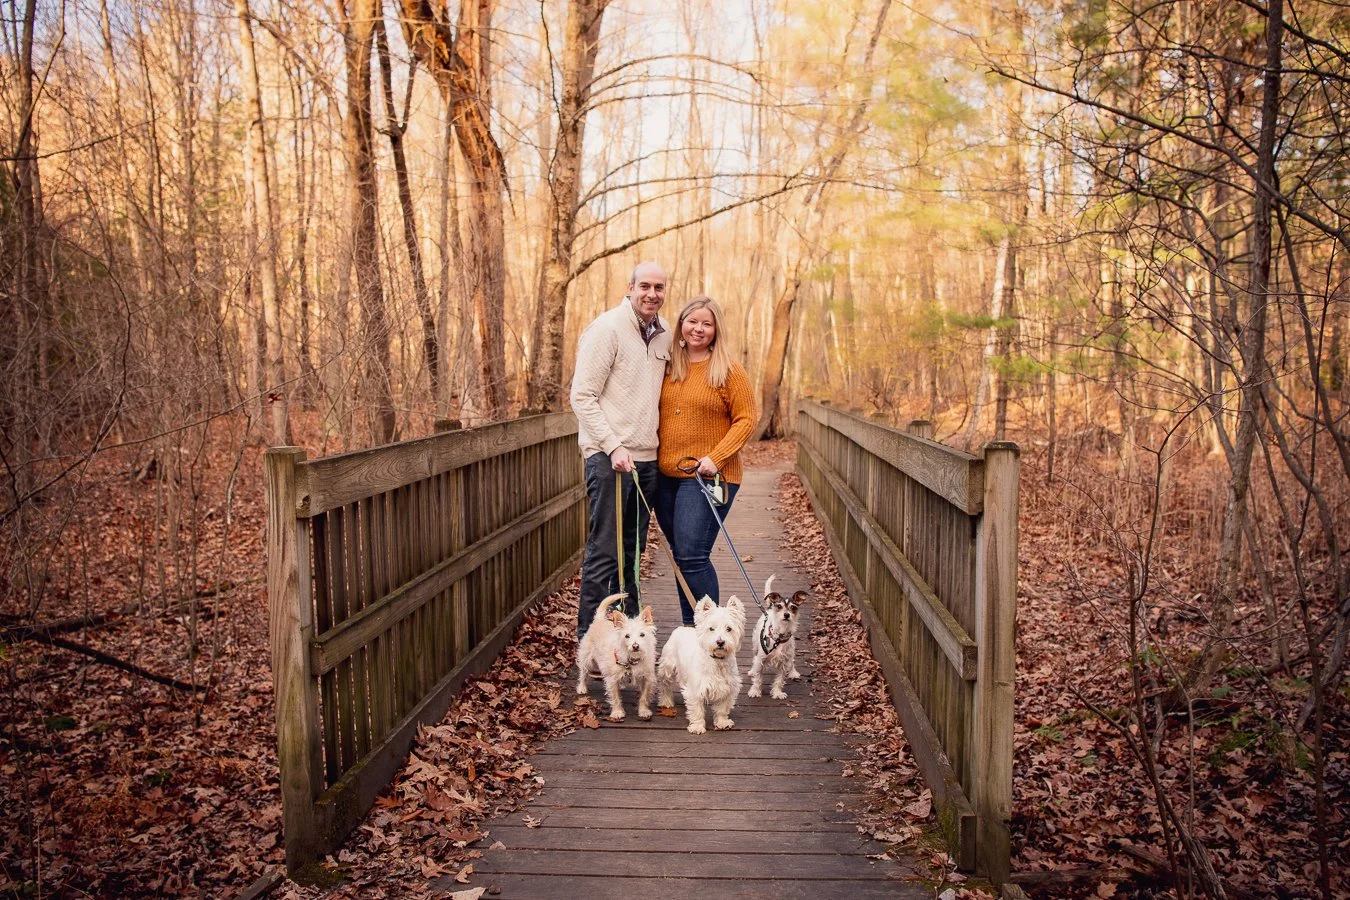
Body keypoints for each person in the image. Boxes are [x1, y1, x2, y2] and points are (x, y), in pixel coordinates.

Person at [569, 261, 673, 637]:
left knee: (632, 554)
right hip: (608, 459)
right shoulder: (607, 329)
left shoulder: (664, 335)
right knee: (604, 552)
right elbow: (581, 396)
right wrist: (612, 447)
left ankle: (625, 636)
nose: (652, 294)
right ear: (630, 287)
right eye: (644, 285)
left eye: (659, 287)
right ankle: (590, 641)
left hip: (646, 461)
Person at [654, 296, 756, 627]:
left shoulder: (728, 369)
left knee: (692, 556)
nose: (698, 328)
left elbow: (747, 419)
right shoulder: (666, 366)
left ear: (716, 330)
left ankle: (710, 634)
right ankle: (692, 634)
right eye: (692, 321)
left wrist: (717, 456)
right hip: (665, 477)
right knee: (683, 558)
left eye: (706, 323)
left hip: (711, 478)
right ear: (681, 325)